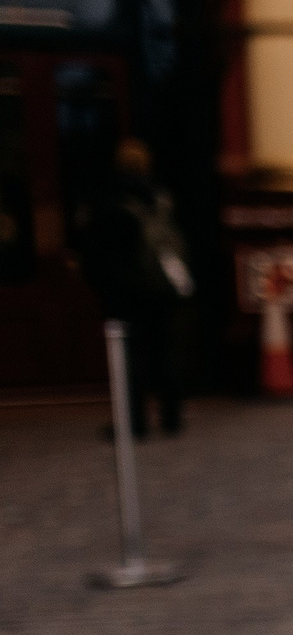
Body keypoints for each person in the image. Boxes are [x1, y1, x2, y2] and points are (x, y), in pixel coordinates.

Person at [74, 138, 193, 438]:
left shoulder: (110, 200)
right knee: (163, 350)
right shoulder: (162, 197)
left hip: (126, 289)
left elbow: (95, 247)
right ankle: (172, 417)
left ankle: (134, 422)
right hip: (162, 286)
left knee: (129, 355)